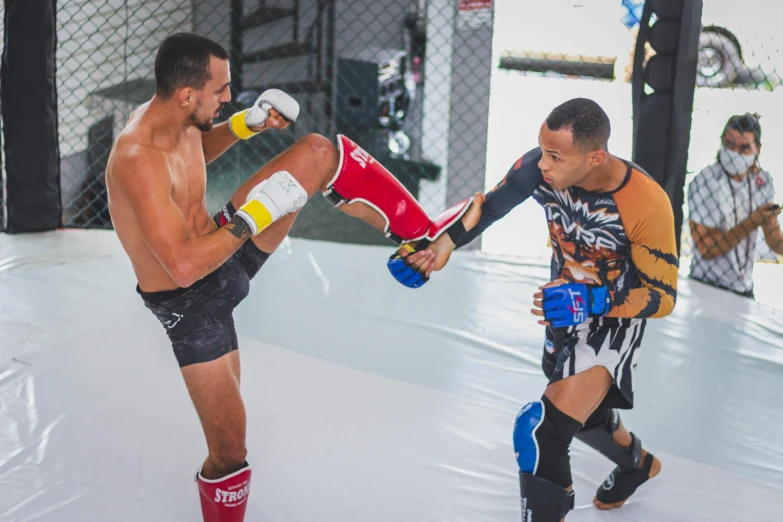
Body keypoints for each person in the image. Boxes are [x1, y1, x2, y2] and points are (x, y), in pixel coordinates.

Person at [105, 32, 483, 522]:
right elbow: (181, 266)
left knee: (318, 152)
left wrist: (247, 124)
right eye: (220, 92)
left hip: (221, 247)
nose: (227, 97)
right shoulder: (136, 158)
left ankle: (419, 236)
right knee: (230, 452)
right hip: (191, 303)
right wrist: (252, 218)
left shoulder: (180, 118)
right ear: (187, 95)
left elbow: (195, 151)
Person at [389, 98, 677, 521]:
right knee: (585, 411)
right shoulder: (540, 169)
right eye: (542, 150)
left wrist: (594, 300)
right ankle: (637, 464)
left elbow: (663, 297)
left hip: (614, 317)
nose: (542, 164)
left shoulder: (645, 204)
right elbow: (487, 207)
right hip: (562, 305)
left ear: (596, 157)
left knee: (541, 430)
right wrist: (439, 247)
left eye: (555, 156)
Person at [687, 113, 783, 299]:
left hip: (743, 287)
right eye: (729, 144)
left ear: (757, 149)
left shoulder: (761, 181)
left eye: (744, 148)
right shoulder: (706, 181)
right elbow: (707, 249)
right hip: (706, 286)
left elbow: (775, 240)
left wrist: (767, 222)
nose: (735, 153)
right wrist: (752, 222)